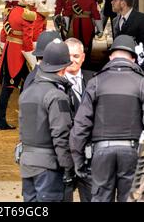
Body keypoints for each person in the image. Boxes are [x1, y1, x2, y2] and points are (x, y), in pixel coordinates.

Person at [70, 34, 144, 202]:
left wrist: (77, 160)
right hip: (132, 152)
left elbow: (80, 125)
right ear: (133, 59)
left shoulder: (95, 82)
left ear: (111, 56)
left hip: (101, 152)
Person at [18, 40, 74, 202]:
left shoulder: (26, 94)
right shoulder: (56, 96)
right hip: (48, 167)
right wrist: (69, 167)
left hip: (27, 164)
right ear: (63, 69)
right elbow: (61, 135)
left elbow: (23, 132)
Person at [0, 0, 37, 130]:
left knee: (11, 87)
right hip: (19, 55)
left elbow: (5, 32)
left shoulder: (12, 11)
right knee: (23, 87)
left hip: (9, 51)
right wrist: (33, 59)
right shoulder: (27, 15)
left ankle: (2, 120)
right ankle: (22, 119)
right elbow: (27, 40)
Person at [64, 37, 93, 202]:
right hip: (65, 153)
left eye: (76, 56)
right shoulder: (55, 82)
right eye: (68, 56)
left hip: (90, 154)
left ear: (83, 57)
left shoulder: (94, 79)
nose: (72, 60)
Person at [111, 0, 144, 78]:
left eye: (115, 0)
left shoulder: (143, 19)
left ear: (123, 3)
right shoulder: (115, 21)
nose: (112, 2)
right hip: (119, 69)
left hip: (138, 70)